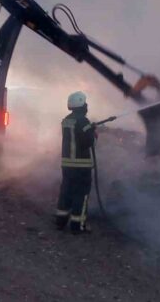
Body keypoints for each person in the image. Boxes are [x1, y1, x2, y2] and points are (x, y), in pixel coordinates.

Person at [55, 91, 96, 234]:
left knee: (66, 192)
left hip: (67, 165)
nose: (86, 105)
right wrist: (93, 133)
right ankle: (77, 225)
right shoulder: (84, 121)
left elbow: (74, 137)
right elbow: (87, 142)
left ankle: (60, 221)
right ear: (80, 105)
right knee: (81, 195)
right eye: (84, 103)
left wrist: (89, 129)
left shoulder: (66, 120)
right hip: (82, 166)